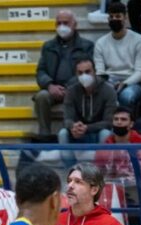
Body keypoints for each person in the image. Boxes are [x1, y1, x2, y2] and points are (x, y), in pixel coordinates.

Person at [34, 11, 95, 139]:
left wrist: (69, 87)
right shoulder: (48, 46)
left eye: (66, 23)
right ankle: (44, 136)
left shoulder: (87, 46)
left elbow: (89, 71)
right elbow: (41, 71)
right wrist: (50, 85)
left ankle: (73, 134)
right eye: (59, 23)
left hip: (77, 88)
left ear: (75, 24)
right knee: (41, 96)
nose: (62, 26)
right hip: (53, 89)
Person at [59, 59, 117, 164]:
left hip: (97, 133)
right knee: (63, 133)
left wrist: (87, 128)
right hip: (77, 134)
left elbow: (109, 121)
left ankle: (101, 169)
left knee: (106, 133)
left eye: (87, 71)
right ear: (76, 74)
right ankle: (70, 170)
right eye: (80, 73)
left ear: (95, 71)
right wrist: (73, 126)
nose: (84, 76)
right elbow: (67, 118)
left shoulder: (108, 91)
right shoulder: (71, 91)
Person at [93, 1, 141, 108]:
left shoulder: (139, 40)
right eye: (111, 16)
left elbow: (140, 72)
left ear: (125, 17)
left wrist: (124, 83)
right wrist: (109, 86)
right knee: (100, 95)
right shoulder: (100, 42)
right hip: (109, 82)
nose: (114, 19)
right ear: (108, 19)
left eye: (118, 16)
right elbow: (100, 72)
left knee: (126, 96)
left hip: (133, 82)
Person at [94, 106, 141, 181]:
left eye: (123, 119)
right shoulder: (105, 146)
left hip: (139, 188)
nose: (119, 122)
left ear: (131, 124)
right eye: (116, 119)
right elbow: (97, 175)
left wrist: (132, 182)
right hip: (114, 188)